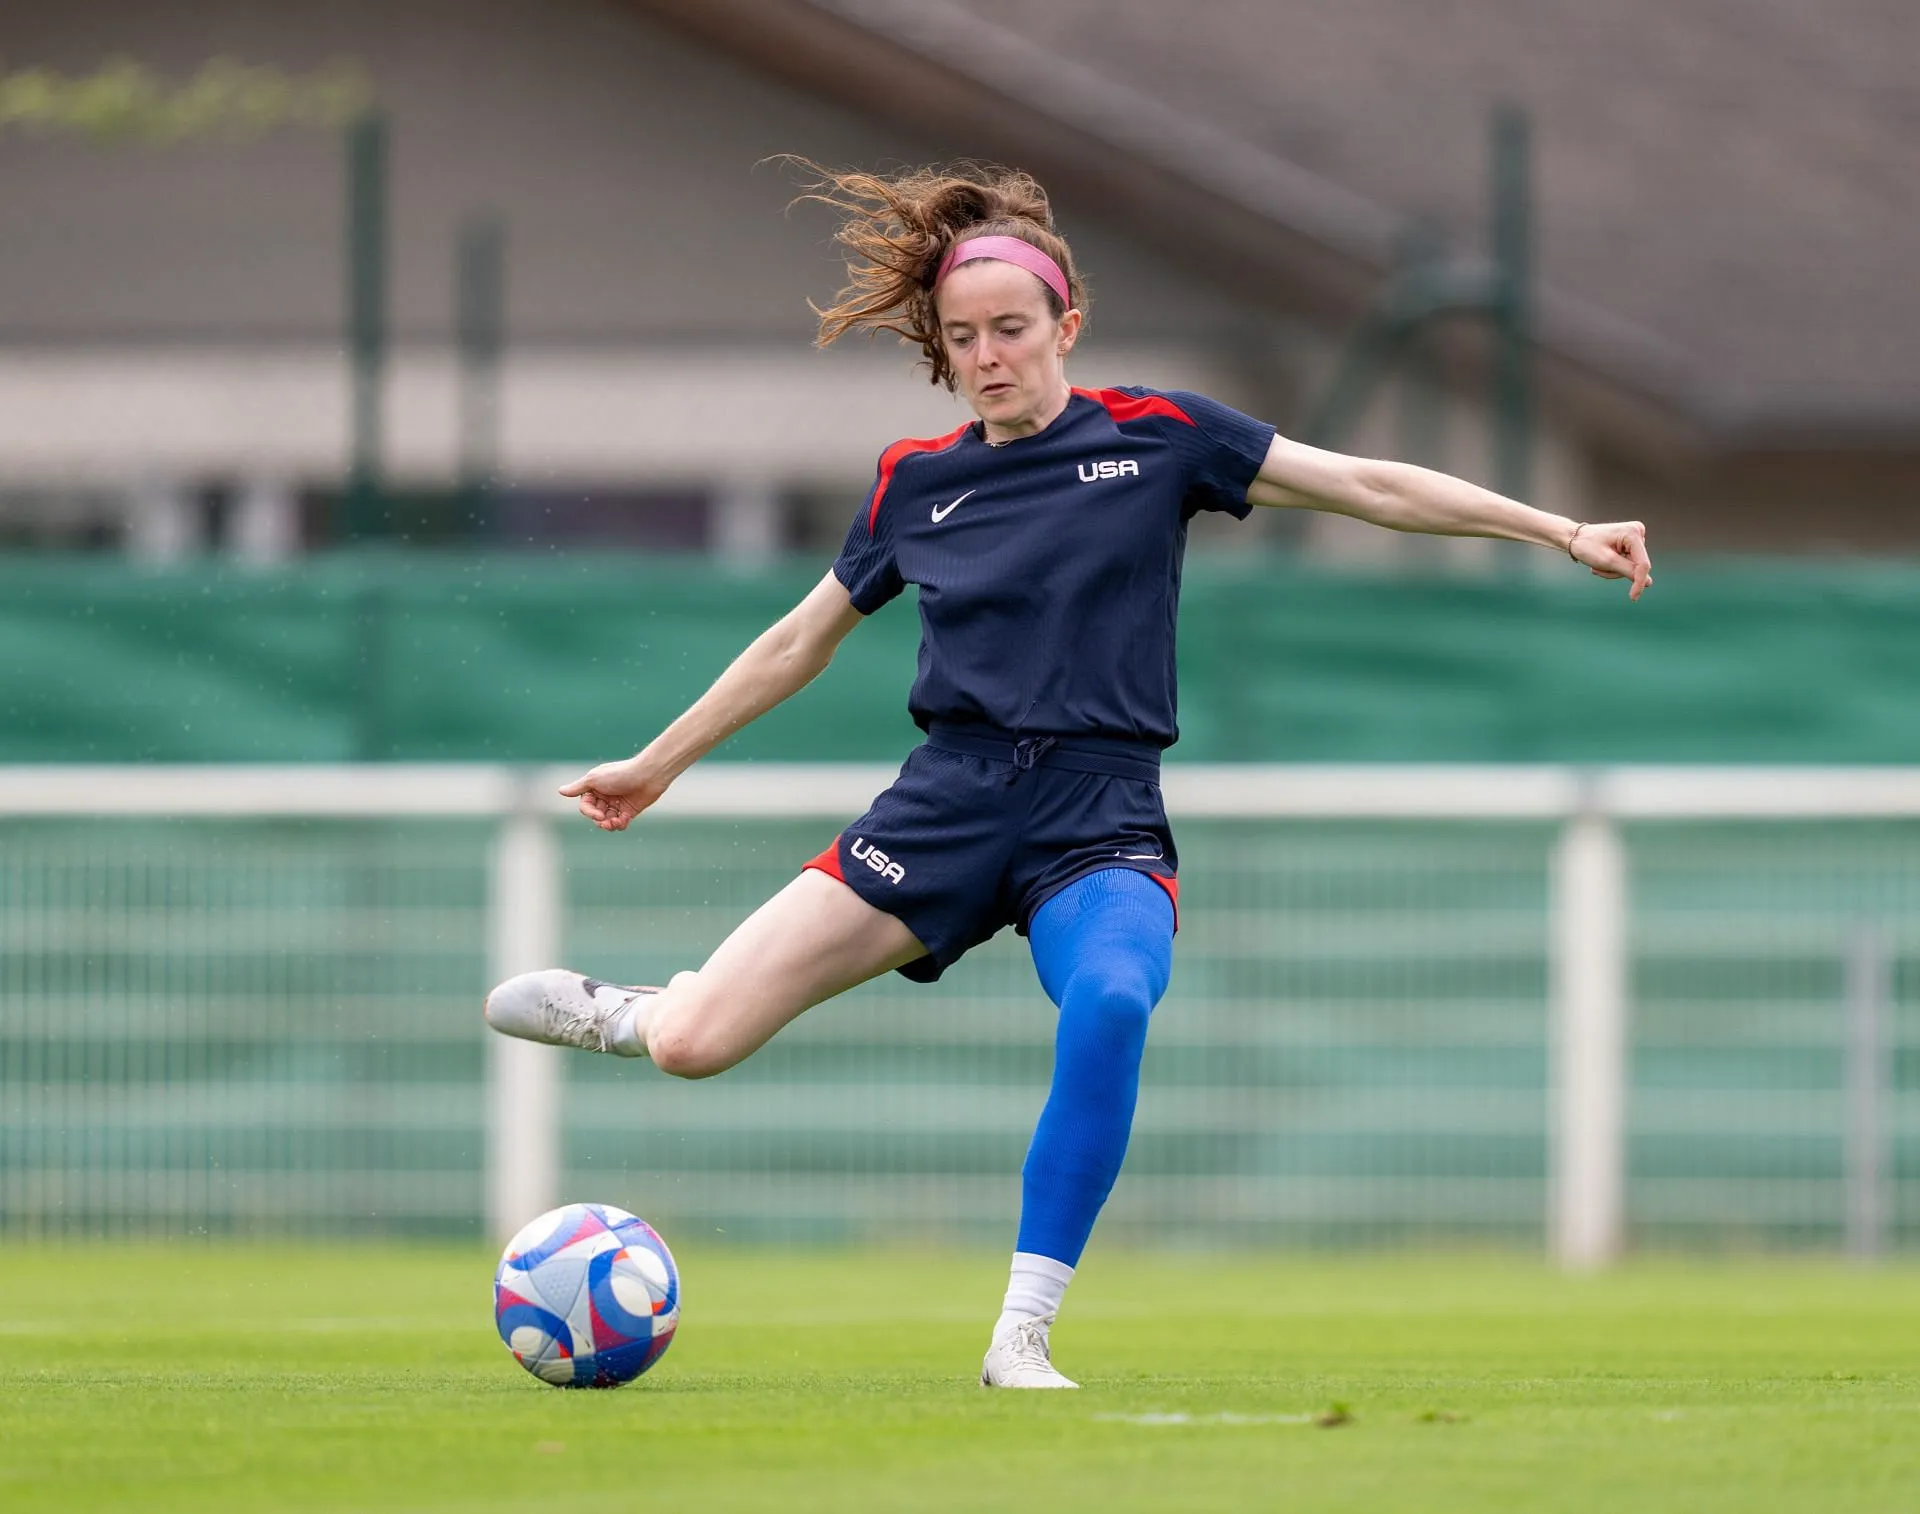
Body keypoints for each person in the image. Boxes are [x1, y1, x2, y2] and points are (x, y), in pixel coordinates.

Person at [484, 162, 1654, 1390]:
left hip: (1099, 813)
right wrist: (657, 763)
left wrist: (1559, 529)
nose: (988, 355)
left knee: (1108, 1003)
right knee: (697, 1046)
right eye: (962, 337)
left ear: (1065, 329)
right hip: (948, 805)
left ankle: (1021, 1332)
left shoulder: (1161, 439)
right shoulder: (913, 482)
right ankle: (630, 1012)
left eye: (1011, 330)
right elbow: (798, 639)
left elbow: (1366, 483)